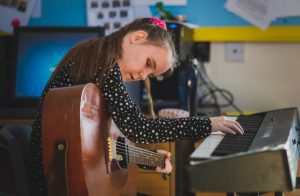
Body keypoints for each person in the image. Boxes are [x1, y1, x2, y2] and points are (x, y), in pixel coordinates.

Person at [27, 17, 244, 195]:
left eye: (150, 74)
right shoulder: (104, 65)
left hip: (59, 179)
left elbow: (94, 149)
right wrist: (206, 124)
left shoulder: (92, 56)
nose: (143, 76)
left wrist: (149, 159)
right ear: (138, 37)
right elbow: (138, 129)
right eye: (149, 64)